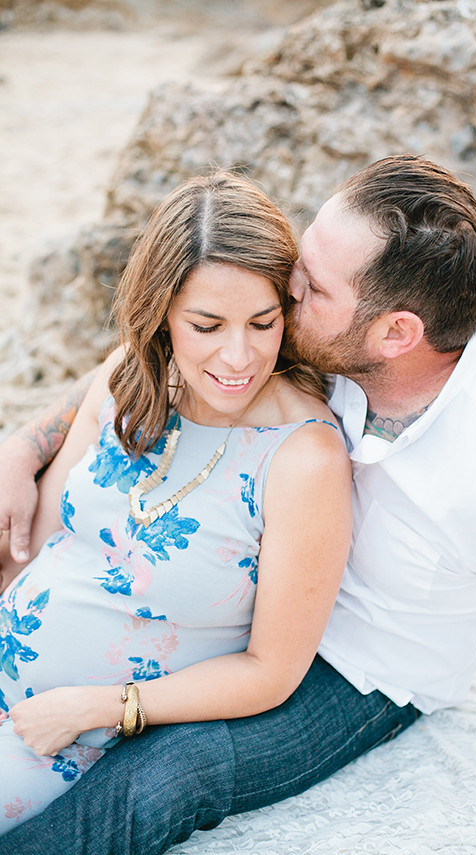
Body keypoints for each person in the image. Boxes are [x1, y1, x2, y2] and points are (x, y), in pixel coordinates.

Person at [0, 154, 476, 854]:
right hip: (225, 599)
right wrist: (25, 444)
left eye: (306, 287)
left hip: (357, 671)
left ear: (395, 335)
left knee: (170, 774)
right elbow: (160, 344)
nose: (286, 286)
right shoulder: (317, 342)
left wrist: (116, 705)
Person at [0, 171, 354, 835]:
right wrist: (21, 447)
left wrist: (103, 707)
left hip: (66, 732)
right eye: (207, 324)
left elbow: (271, 670)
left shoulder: (303, 458)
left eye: (263, 321)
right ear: (163, 311)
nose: (238, 354)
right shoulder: (127, 380)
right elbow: (38, 547)